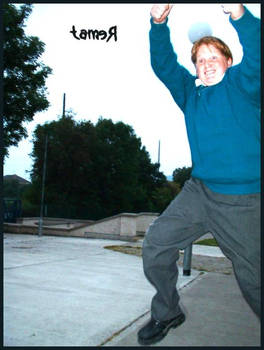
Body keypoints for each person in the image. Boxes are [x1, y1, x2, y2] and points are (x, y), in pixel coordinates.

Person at [138, 3, 260, 346]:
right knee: (156, 246)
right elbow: (163, 64)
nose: (207, 64)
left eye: (213, 57)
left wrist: (237, 12)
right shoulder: (190, 93)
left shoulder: (245, 85)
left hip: (244, 201)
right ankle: (168, 311)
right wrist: (158, 21)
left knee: (254, 281)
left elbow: (259, 47)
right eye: (200, 60)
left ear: (228, 62)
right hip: (199, 192)